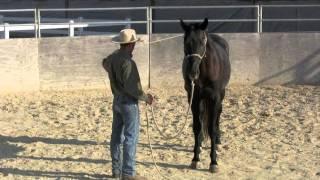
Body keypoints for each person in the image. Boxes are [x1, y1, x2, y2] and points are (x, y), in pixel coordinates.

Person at [102, 28, 153, 180]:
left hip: (116, 100)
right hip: (128, 103)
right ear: (131, 45)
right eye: (133, 44)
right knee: (131, 137)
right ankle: (128, 174)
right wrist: (147, 98)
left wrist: (113, 71)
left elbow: (104, 63)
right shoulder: (129, 63)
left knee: (116, 136)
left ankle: (116, 170)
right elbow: (133, 89)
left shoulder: (114, 58)